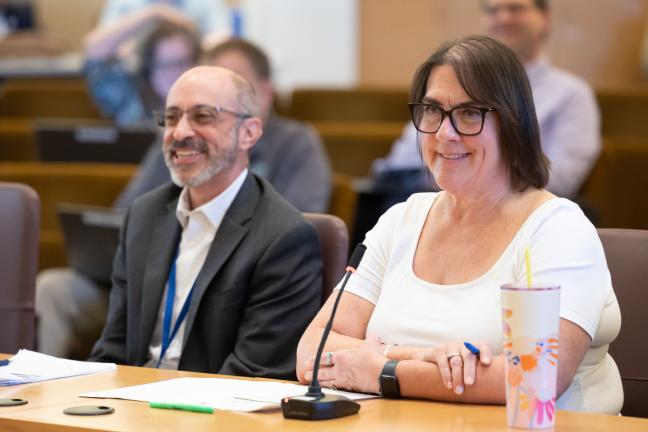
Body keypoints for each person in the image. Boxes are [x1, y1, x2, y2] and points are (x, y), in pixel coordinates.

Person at [296, 36, 622, 414]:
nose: (444, 133)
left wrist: (383, 372)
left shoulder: (557, 229)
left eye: (469, 113)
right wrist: (420, 355)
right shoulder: (402, 219)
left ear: (512, 124)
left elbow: (535, 379)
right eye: (432, 110)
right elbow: (313, 348)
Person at [89, 66, 322, 379]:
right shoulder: (144, 215)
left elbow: (254, 374)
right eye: (171, 118)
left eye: (203, 116)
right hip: (130, 408)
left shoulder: (284, 237)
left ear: (249, 132)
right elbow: (113, 349)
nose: (180, 132)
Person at [374, 0, 600, 200]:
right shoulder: (449, 83)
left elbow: (560, 179)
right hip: (427, 203)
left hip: (518, 216)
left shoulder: (572, 94)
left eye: (515, 8)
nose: (503, 18)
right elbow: (401, 161)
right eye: (493, 10)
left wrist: (469, 177)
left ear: (545, 18)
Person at [117, 38, 332, 212]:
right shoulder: (180, 138)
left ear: (265, 92)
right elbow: (127, 214)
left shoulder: (296, 143)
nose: (182, 129)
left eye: (233, 85)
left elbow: (297, 226)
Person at [84, 18, 201, 126]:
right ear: (148, 68)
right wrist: (153, 13)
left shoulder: (207, 109)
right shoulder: (131, 102)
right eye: (163, 65)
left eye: (180, 63)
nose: (173, 72)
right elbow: (94, 52)